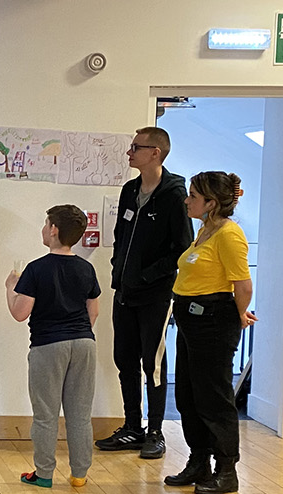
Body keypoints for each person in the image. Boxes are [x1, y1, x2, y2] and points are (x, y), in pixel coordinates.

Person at [97, 127, 192, 459]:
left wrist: (147, 275)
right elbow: (121, 237)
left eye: (136, 147)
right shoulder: (129, 190)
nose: (129, 152)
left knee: (152, 364)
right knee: (124, 359)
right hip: (124, 292)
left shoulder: (176, 196)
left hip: (155, 295)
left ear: (156, 153)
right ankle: (132, 428)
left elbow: (182, 249)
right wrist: (119, 271)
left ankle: (155, 431)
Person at [165, 171, 255, 494]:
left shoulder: (229, 235)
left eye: (193, 196)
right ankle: (198, 461)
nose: (187, 200)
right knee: (187, 396)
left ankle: (226, 470)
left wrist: (241, 314)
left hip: (213, 323)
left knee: (213, 398)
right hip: (191, 321)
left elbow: (243, 284)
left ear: (211, 203)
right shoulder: (205, 230)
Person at [7, 204, 101, 488]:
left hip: (48, 345)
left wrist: (10, 286)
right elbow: (93, 311)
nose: (43, 229)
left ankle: (44, 474)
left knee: (46, 414)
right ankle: (79, 474)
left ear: (54, 230)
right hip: (85, 343)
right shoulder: (86, 268)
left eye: (45, 223)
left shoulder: (36, 269)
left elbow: (20, 312)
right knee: (80, 413)